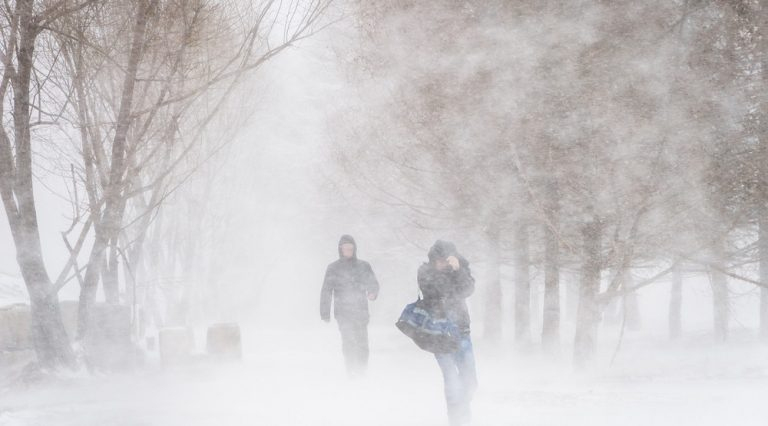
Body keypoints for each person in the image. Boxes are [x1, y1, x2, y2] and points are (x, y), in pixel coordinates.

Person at [418, 240, 477, 426]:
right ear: (433, 259)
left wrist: (458, 269)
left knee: (470, 381)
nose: (443, 263)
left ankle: (463, 415)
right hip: (439, 334)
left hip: (462, 330)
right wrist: (445, 273)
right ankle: (457, 420)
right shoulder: (425, 272)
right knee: (452, 380)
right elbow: (433, 292)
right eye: (440, 260)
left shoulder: (460, 269)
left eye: (447, 260)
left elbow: (468, 290)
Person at [320, 235, 380, 376]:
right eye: (345, 248)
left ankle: (362, 370)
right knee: (348, 341)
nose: (348, 250)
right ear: (340, 249)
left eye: (351, 248)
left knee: (362, 343)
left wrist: (372, 292)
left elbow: (373, 283)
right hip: (343, 312)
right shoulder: (333, 268)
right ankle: (351, 370)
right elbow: (326, 290)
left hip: (361, 311)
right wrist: (325, 312)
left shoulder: (363, 266)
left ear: (354, 249)